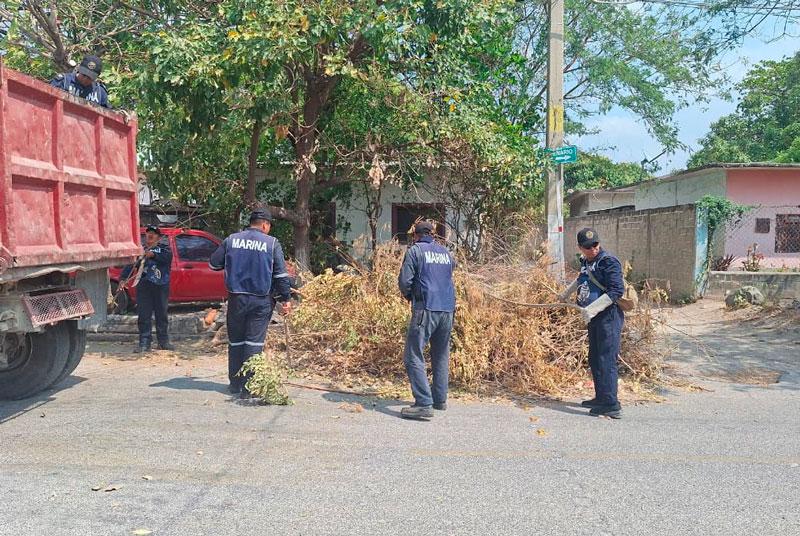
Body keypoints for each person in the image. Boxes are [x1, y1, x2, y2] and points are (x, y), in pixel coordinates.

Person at [209, 208, 292, 397]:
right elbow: (280, 275)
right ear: (264, 225)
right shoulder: (272, 243)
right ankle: (249, 388)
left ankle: (235, 384)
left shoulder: (231, 240)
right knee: (254, 343)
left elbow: (213, 264)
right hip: (261, 301)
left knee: (236, 341)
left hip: (236, 299)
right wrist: (286, 299)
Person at [560, 228, 625, 419]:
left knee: (606, 359)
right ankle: (601, 397)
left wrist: (592, 309)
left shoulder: (608, 262)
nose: (593, 249)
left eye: (595, 245)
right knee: (595, 358)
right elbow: (581, 279)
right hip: (594, 319)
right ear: (580, 247)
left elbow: (616, 291)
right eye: (588, 247)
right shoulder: (586, 262)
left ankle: (611, 405)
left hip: (608, 317)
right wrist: (565, 294)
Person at [397, 221, 456, 420]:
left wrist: (410, 297)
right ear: (433, 235)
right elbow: (450, 272)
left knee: (413, 355)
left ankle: (423, 403)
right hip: (447, 309)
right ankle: (439, 399)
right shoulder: (446, 253)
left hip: (426, 307)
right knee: (441, 354)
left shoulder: (415, 251)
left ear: (416, 235)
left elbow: (405, 281)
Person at [134, 226, 174, 353]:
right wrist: (123, 279)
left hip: (161, 286)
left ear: (158, 237)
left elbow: (167, 258)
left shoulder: (165, 249)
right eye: (148, 233)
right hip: (144, 286)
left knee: (161, 314)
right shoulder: (140, 250)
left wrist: (153, 255)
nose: (150, 235)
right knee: (144, 315)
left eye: (154, 233)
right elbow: (131, 265)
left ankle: (163, 342)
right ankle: (144, 343)